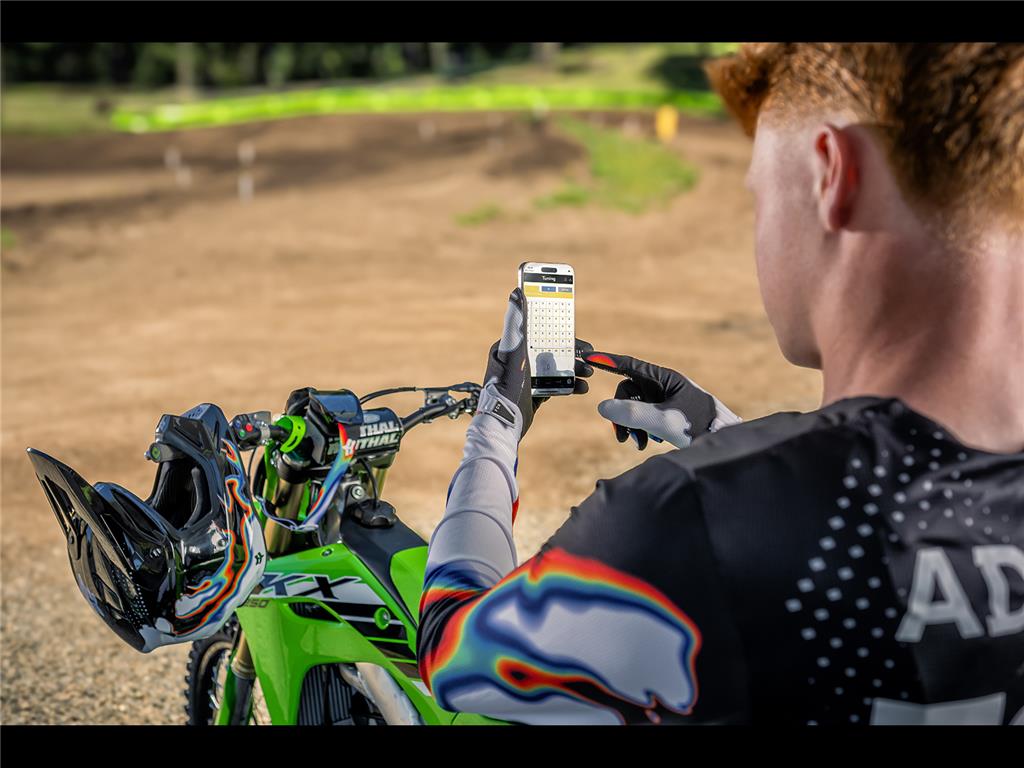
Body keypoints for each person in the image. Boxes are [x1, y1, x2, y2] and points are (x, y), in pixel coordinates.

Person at [415, 43, 1024, 725]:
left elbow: (452, 654)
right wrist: (722, 434)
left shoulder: (685, 519)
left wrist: (496, 429)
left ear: (835, 174)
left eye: (758, 197)